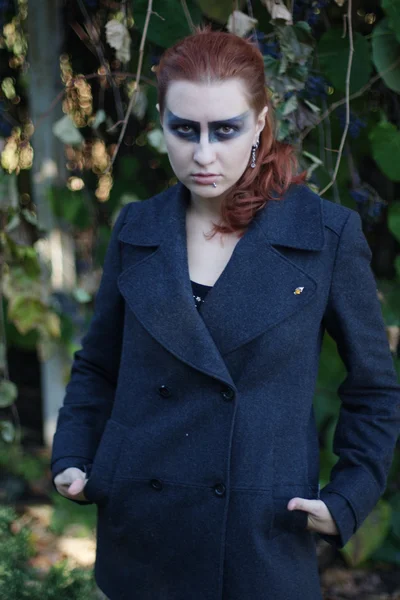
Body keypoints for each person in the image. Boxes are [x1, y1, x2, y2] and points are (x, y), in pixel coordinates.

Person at [51, 26, 400, 600]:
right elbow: (98, 364)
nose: (204, 153)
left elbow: (374, 388)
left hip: (258, 537)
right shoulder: (138, 228)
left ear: (260, 123)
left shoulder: (325, 235)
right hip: (143, 532)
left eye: (226, 129)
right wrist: (74, 454)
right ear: (161, 122)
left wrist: (349, 497)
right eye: (184, 130)